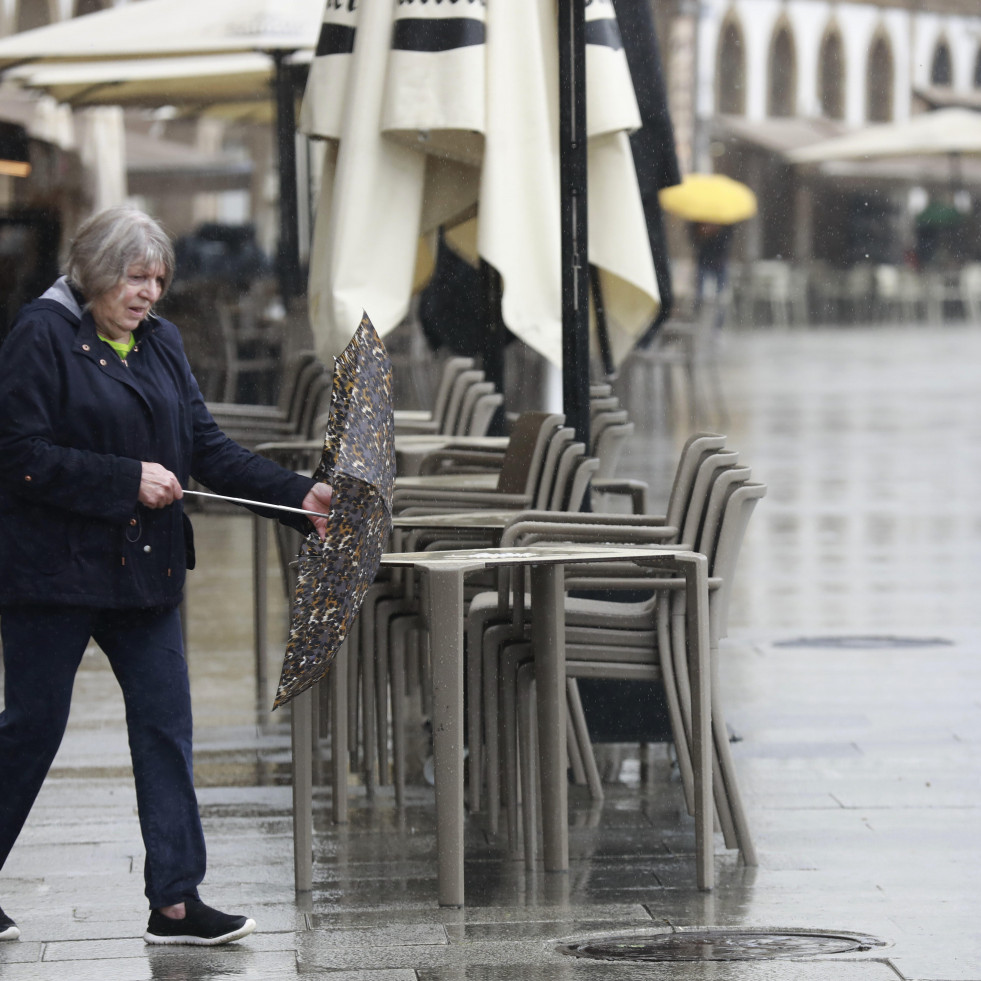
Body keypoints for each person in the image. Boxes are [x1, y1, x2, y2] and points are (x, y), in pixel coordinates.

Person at [0, 206, 333, 946]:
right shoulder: (41, 335)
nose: (148, 291)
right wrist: (126, 479)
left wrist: (296, 496)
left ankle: (176, 902)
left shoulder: (161, 341)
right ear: (94, 271)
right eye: (134, 276)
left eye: (157, 278)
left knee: (165, 729)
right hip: (53, 574)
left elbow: (205, 447)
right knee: (30, 730)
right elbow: (19, 454)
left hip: (142, 574)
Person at [690, 221, 734, 324]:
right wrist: (703, 233)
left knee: (721, 297)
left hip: (720, 261)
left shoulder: (725, 221)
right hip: (703, 259)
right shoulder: (699, 218)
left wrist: (717, 232)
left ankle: (718, 326)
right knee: (699, 295)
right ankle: (697, 320)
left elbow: (728, 239)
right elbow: (692, 239)